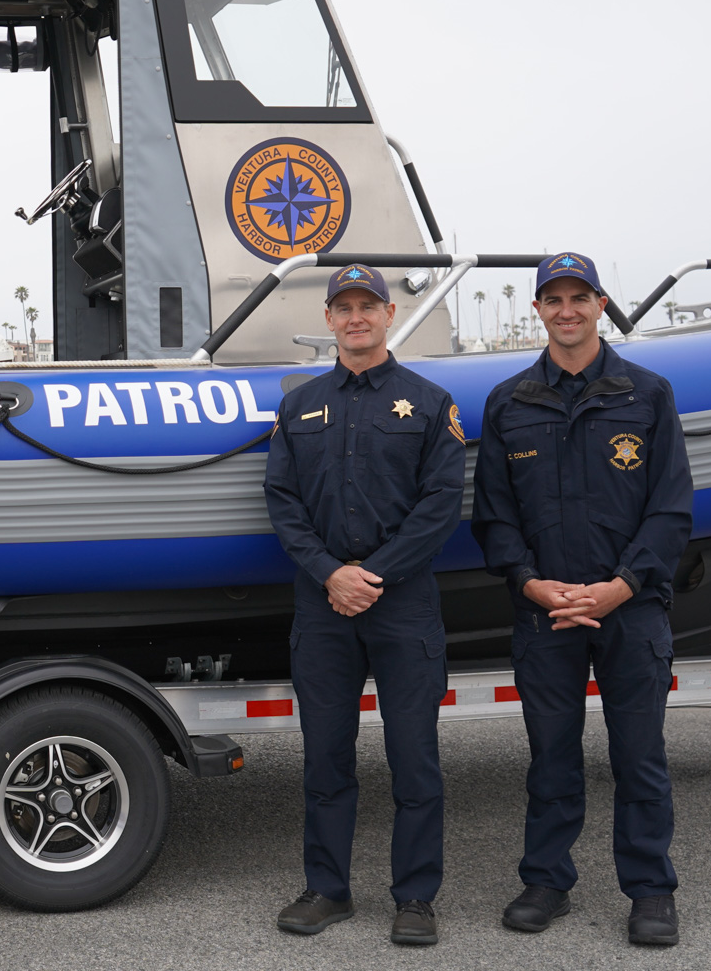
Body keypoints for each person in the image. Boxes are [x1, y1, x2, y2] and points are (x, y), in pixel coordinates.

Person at [472, 252, 694, 947]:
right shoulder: (509, 402)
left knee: (640, 757)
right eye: (553, 298)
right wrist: (532, 584)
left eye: (579, 297)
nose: (566, 309)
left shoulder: (646, 393)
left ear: (600, 304)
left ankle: (651, 891)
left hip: (631, 609)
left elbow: (671, 509)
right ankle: (545, 880)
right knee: (552, 757)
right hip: (545, 612)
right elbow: (494, 515)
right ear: (536, 308)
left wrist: (619, 588)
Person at [265, 264, 466, 947]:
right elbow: (283, 503)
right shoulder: (299, 407)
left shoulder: (430, 404)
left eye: (368, 307)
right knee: (326, 759)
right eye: (343, 308)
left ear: (388, 315)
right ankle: (327, 889)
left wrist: (371, 574)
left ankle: (415, 898)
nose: (356, 318)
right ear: (329, 320)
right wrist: (330, 574)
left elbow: (441, 505)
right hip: (323, 607)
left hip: (402, 604)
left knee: (415, 761)